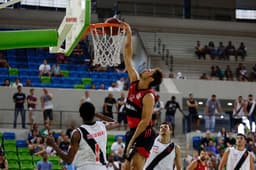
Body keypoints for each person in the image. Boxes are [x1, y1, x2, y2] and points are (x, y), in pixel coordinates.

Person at [121, 22, 163, 170]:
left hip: (145, 133)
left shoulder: (148, 96)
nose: (147, 69)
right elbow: (127, 55)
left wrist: (132, 140)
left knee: (136, 166)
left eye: (150, 71)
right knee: (125, 167)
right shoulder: (134, 80)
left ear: (151, 79)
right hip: (132, 131)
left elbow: (145, 122)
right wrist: (128, 33)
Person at [46, 102, 119, 170]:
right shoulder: (102, 125)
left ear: (80, 115)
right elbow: (116, 123)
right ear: (93, 113)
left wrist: (53, 145)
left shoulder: (77, 133)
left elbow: (68, 160)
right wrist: (98, 114)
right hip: (102, 168)